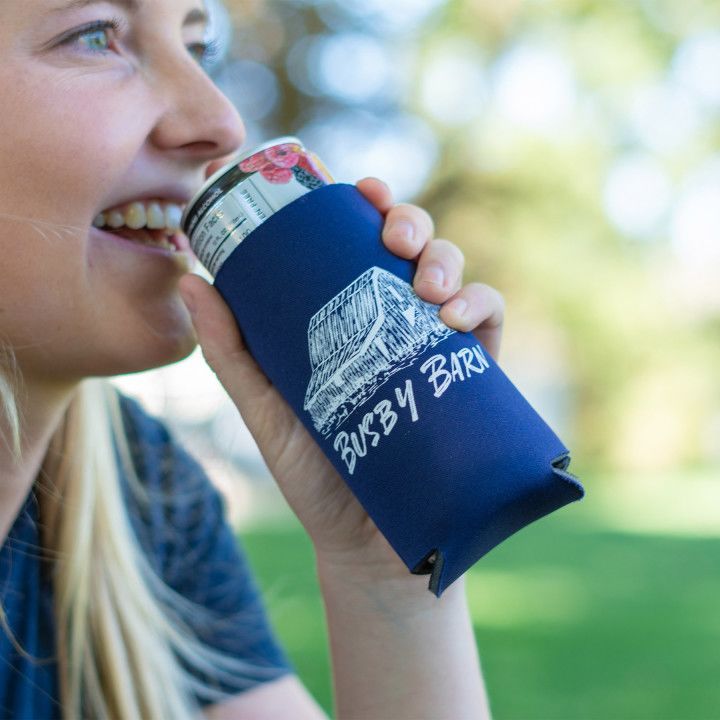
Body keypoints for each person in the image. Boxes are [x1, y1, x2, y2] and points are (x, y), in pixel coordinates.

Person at [0, 1, 504, 717]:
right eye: (94, 35)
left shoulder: (144, 496)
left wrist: (390, 553)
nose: (222, 122)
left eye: (198, 46)